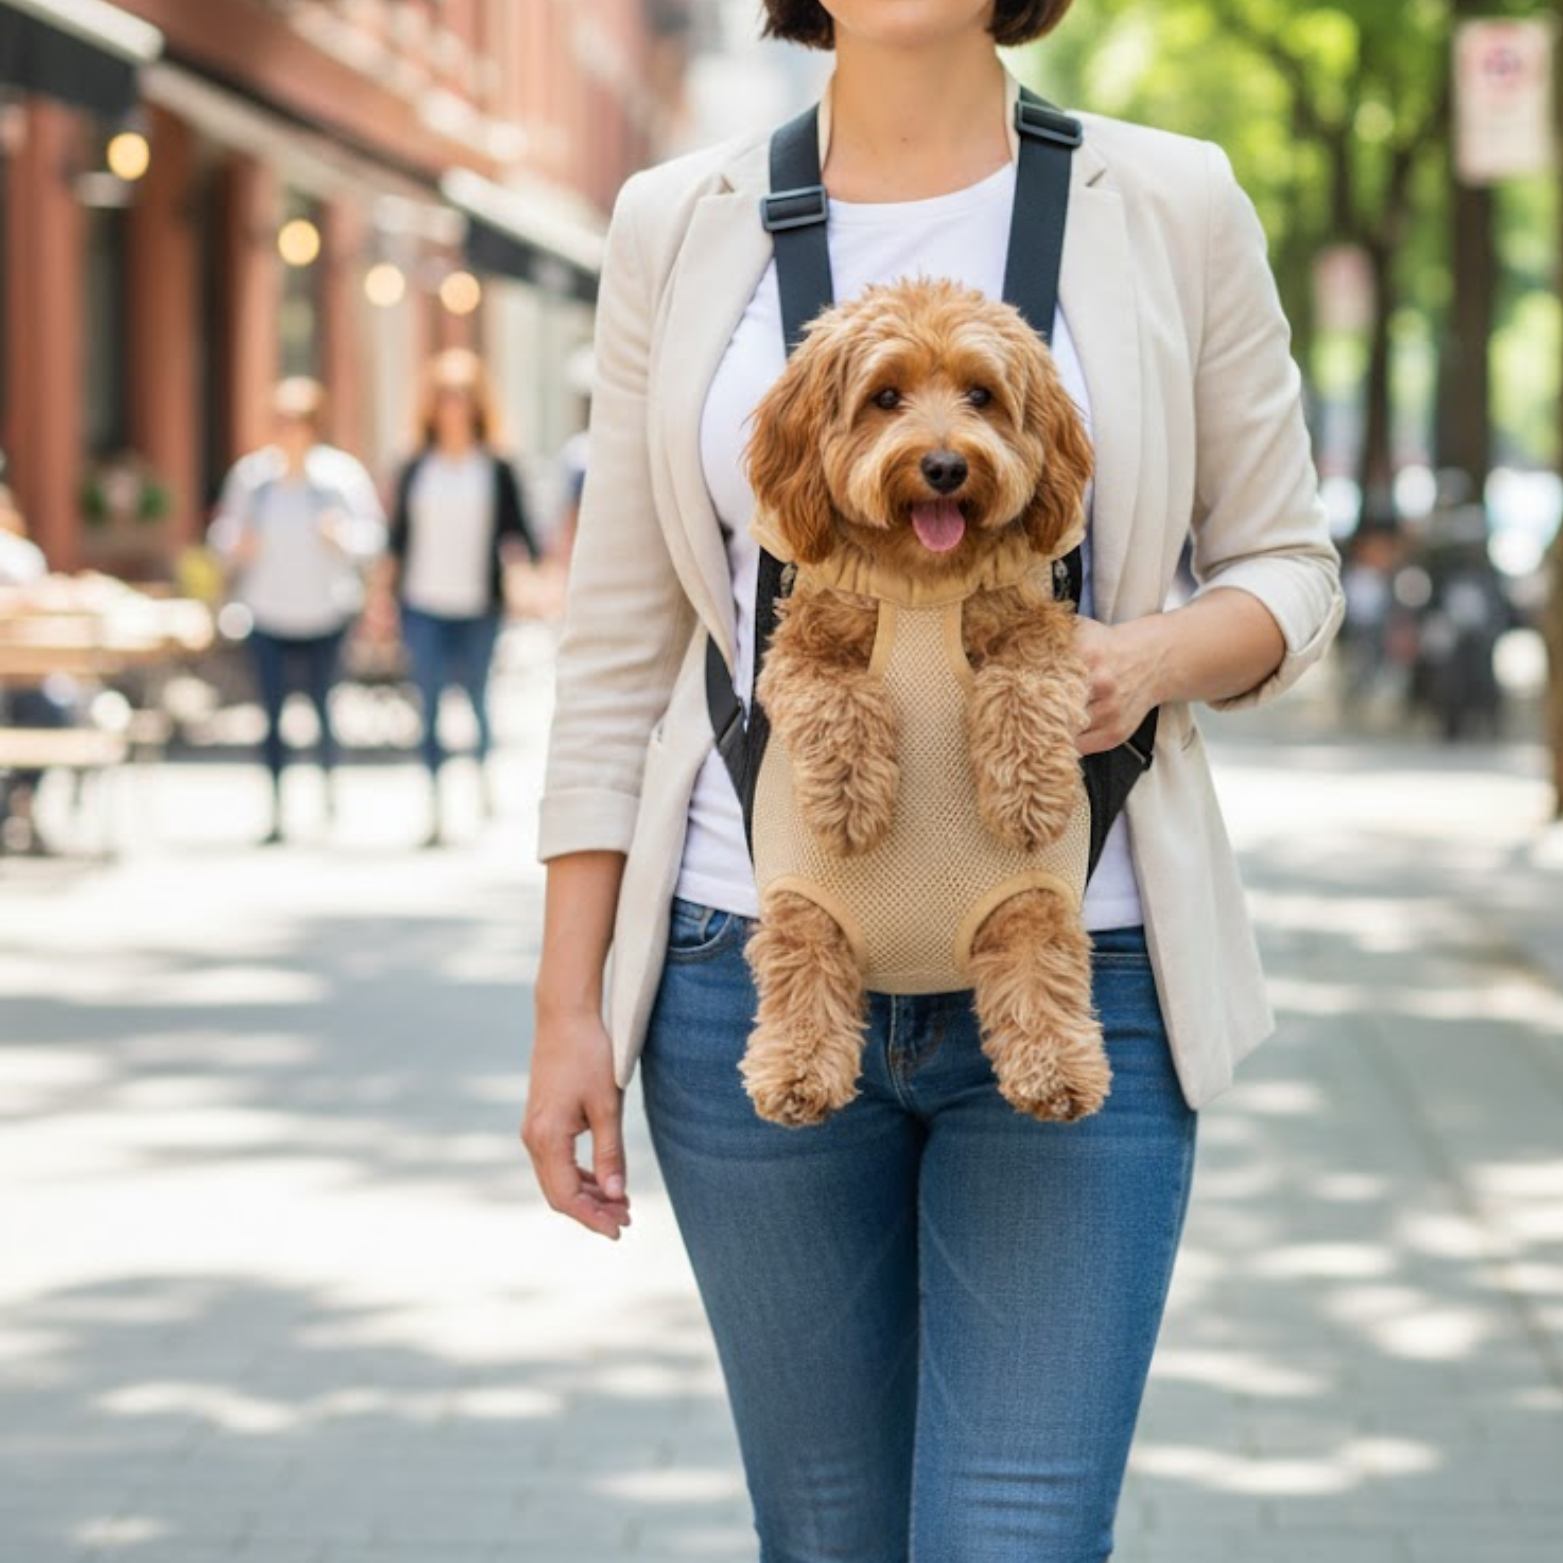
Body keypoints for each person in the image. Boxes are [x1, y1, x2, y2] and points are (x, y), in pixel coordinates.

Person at [524, 3, 1346, 1558]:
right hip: (745, 966)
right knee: (824, 1534)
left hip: (1077, 958)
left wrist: (1144, 658)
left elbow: (1289, 565)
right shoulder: (672, 223)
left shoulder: (1171, 199)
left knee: (1013, 1535)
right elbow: (617, 642)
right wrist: (569, 1006)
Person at [210, 378, 385, 844]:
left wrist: (342, 537)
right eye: (281, 420)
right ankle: (276, 807)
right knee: (271, 713)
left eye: (298, 421)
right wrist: (237, 546)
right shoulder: (253, 479)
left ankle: (327, 795)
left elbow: (372, 538)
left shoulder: (340, 477)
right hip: (266, 611)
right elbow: (222, 536)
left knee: (324, 708)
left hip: (327, 610)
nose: (289, 430)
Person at [376, 349, 540, 846]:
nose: (452, 407)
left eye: (462, 398)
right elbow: (396, 539)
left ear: (476, 405)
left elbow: (520, 535)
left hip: (478, 603)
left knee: (477, 700)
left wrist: (532, 583)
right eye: (444, 398)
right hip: (422, 600)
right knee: (426, 705)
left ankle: (483, 788)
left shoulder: (497, 467)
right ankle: (434, 805)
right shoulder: (414, 467)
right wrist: (380, 600)